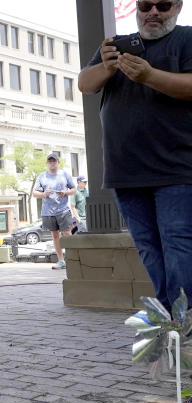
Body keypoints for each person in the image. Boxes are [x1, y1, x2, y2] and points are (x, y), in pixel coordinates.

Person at [78, 0, 192, 311]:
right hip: (125, 170)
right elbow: (85, 84)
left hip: (177, 170)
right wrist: (107, 65)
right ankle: (171, 317)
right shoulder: (115, 46)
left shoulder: (186, 39)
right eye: (145, 5)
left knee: (178, 245)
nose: (153, 12)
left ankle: (184, 320)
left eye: (163, 5)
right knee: (148, 248)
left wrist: (149, 76)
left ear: (178, 6)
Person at [32, 152, 76, 270]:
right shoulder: (42, 176)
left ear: (58, 163)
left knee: (67, 234)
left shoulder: (65, 174)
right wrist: (43, 194)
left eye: (54, 161)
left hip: (63, 210)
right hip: (48, 212)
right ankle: (61, 260)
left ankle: (72, 259)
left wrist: (65, 192)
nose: (52, 163)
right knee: (55, 236)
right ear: (47, 163)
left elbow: (74, 189)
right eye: (50, 161)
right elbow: (34, 193)